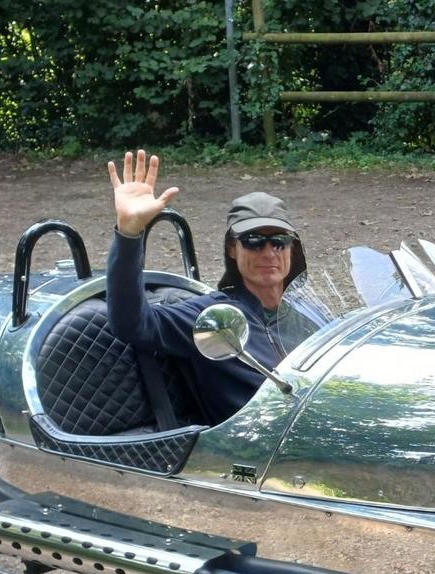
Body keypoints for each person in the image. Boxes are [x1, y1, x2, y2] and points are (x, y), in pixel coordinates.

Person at [104, 149, 308, 426]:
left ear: (292, 249)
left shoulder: (306, 313)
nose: (269, 252)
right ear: (232, 249)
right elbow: (133, 324)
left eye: (279, 241)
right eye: (253, 241)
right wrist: (129, 233)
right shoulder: (213, 318)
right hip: (258, 443)